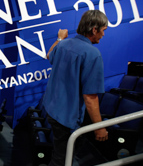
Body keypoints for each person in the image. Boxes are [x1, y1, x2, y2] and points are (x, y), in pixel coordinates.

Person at [43, 10, 109, 166]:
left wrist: (60, 38)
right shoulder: (92, 54)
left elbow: (49, 55)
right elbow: (90, 97)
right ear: (94, 29)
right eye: (103, 30)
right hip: (65, 117)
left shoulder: (63, 44)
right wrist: (99, 128)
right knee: (62, 159)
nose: (103, 35)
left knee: (61, 154)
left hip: (52, 110)